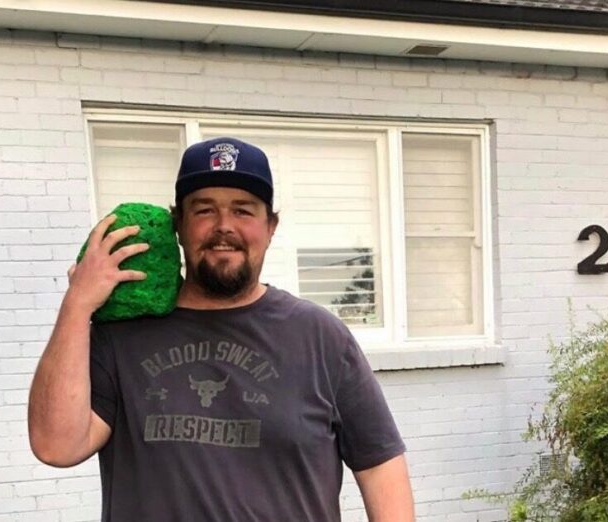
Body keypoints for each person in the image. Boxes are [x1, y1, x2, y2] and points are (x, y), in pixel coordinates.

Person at [28, 137, 414, 521]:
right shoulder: (122, 335)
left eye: (243, 210)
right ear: (177, 224)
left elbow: (380, 465)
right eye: (205, 210)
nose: (224, 227)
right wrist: (77, 305)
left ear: (271, 226)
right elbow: (56, 446)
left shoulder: (319, 336)